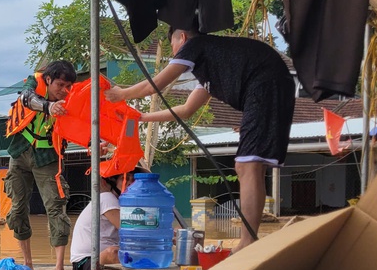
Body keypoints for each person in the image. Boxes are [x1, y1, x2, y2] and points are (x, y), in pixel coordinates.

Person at [105, 27, 295, 251]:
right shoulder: (209, 66)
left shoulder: (195, 46)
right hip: (271, 87)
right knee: (248, 166)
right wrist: (142, 117)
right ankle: (249, 239)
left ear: (182, 37)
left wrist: (121, 94)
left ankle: (248, 241)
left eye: (173, 46)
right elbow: (186, 109)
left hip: (266, 86)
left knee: (248, 165)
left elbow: (153, 85)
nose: (173, 54)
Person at [5, 59, 77, 270]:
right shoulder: (33, 85)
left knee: (56, 207)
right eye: (60, 85)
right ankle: (28, 263)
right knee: (17, 208)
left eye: (68, 86)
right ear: (48, 80)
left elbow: (83, 124)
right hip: (20, 150)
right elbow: (26, 99)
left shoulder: (71, 99)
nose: (64, 90)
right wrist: (48, 106)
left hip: (47, 158)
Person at [69, 162, 145, 270]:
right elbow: (130, 230)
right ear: (113, 182)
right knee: (114, 253)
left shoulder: (124, 204)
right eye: (125, 178)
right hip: (85, 264)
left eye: (133, 179)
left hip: (101, 262)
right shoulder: (107, 198)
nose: (130, 182)